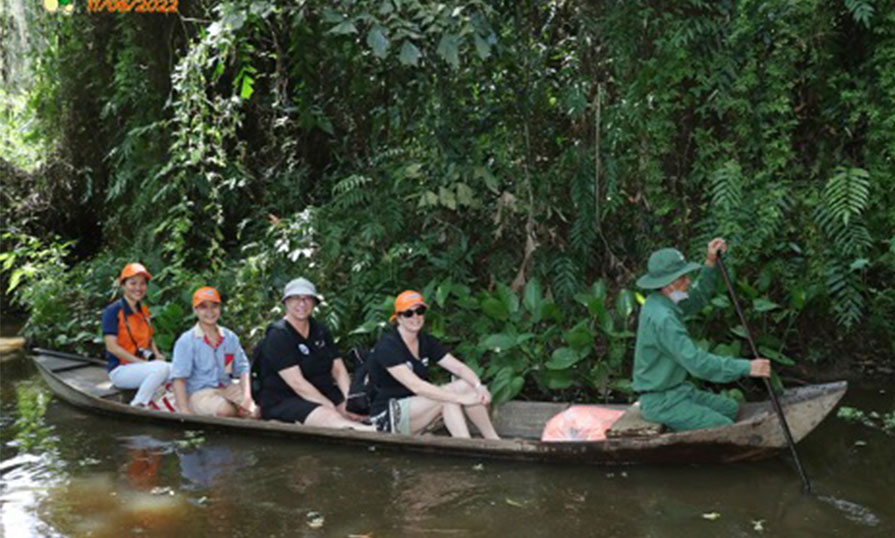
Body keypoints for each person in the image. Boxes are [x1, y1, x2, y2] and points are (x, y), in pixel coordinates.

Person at [632, 238, 772, 431]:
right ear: (668, 284)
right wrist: (747, 367)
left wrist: (710, 263)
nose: (688, 282)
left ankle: (682, 426)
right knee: (723, 426)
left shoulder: (664, 299)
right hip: (661, 401)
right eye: (682, 278)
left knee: (730, 409)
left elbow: (696, 299)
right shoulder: (663, 318)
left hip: (678, 391)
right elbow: (697, 363)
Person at [367, 290, 500, 439]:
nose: (415, 317)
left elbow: (458, 367)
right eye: (408, 313)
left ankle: (494, 441)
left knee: (467, 386)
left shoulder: (426, 340)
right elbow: (416, 386)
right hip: (388, 415)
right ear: (398, 318)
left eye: (420, 311)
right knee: (447, 400)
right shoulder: (388, 345)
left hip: (419, 407)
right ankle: (465, 448)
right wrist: (461, 399)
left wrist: (478, 386)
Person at [256, 278, 373, 430]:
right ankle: (370, 433)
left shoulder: (320, 330)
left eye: (307, 299)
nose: (302, 304)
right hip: (285, 398)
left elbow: (338, 369)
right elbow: (297, 383)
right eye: (295, 298)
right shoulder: (278, 335)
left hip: (323, 390)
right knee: (331, 416)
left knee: (358, 413)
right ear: (286, 302)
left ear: (314, 303)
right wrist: (329, 406)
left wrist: (350, 400)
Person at [170, 286, 259, 417]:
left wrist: (247, 398)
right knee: (226, 411)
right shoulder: (187, 340)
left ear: (220, 308)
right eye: (203, 307)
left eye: (214, 306)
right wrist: (184, 411)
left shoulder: (229, 338)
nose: (210, 311)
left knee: (255, 412)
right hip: (199, 393)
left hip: (227, 388)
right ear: (195, 310)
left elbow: (243, 368)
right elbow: (179, 378)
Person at [102, 262, 170, 407]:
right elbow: (112, 347)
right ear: (123, 285)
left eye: (142, 284)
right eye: (133, 283)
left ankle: (168, 403)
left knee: (174, 368)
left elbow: (150, 338)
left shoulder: (144, 310)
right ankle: (138, 404)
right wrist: (142, 363)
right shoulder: (112, 311)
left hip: (143, 367)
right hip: (121, 370)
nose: (138, 288)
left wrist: (157, 355)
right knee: (161, 368)